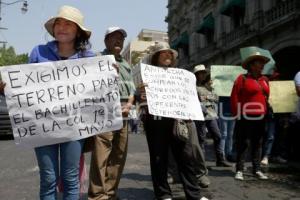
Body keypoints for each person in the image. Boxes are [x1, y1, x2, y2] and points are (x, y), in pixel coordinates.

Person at [1, 5, 94, 199]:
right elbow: (25, 87)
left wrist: (111, 75)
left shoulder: (89, 58)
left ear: (78, 30)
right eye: (58, 23)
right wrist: (7, 88)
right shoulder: (38, 52)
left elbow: (97, 90)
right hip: (42, 124)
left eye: (68, 23)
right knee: (48, 178)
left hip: (74, 125)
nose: (62, 26)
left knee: (70, 178)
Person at [138, 42, 209, 200]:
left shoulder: (181, 76)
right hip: (155, 122)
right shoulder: (147, 76)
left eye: (170, 53)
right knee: (158, 158)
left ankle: (194, 195)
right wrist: (143, 94)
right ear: (156, 57)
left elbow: (189, 99)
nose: (167, 55)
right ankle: (163, 194)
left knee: (186, 158)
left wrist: (190, 110)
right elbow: (141, 100)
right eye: (163, 53)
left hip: (178, 121)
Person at [88, 27, 135, 200]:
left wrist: (129, 104)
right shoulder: (98, 59)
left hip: (124, 113)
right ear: (106, 41)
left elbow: (131, 89)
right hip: (104, 110)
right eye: (114, 38)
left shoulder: (125, 63)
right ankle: (98, 195)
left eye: (121, 39)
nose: (118, 41)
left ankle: (110, 192)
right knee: (101, 154)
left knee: (119, 154)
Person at [231, 46, 270, 181]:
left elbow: (268, 97)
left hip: (261, 116)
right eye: (259, 62)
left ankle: (257, 169)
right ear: (252, 65)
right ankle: (240, 169)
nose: (262, 65)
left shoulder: (265, 79)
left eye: (263, 63)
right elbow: (234, 96)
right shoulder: (242, 79)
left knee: (258, 143)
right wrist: (237, 113)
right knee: (244, 143)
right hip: (245, 115)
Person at [193, 65, 231, 167]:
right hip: (200, 116)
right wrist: (207, 97)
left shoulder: (209, 86)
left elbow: (217, 98)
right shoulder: (193, 87)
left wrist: (208, 95)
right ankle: (201, 163)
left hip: (211, 115)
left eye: (204, 73)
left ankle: (220, 160)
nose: (203, 75)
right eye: (200, 73)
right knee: (201, 139)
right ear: (196, 75)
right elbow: (195, 100)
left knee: (217, 136)